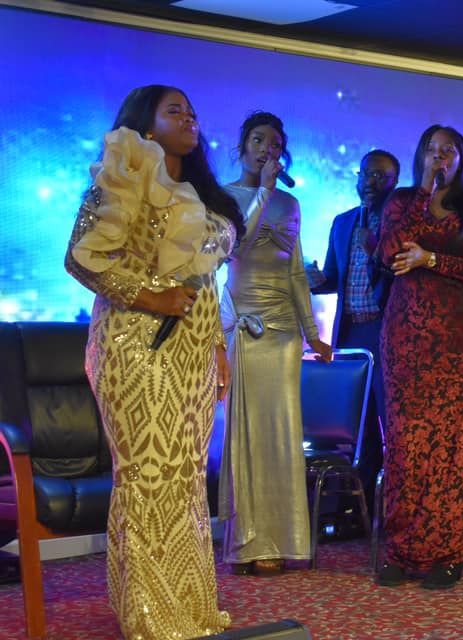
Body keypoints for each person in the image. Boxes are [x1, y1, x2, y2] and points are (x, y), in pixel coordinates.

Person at [65, 85, 245, 639]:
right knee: (147, 477)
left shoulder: (202, 192)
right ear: (145, 124)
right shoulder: (121, 174)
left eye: (193, 111)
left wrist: (217, 347)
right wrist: (149, 297)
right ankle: (149, 616)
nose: (189, 118)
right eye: (175, 111)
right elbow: (80, 258)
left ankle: (188, 608)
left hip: (194, 350)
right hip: (134, 344)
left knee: (186, 479)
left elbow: (205, 281)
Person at [375, 124, 463, 590]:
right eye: (431, 150)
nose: (439, 157)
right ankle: (401, 551)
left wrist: (431, 260)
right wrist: (422, 196)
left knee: (456, 452)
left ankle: (448, 555)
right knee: (407, 447)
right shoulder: (400, 202)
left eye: (448, 150)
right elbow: (390, 252)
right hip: (407, 339)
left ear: (462, 158)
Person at [218, 111, 332, 576]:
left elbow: (295, 272)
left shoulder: (291, 204)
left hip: (283, 331)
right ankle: (247, 541)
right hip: (243, 326)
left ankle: (282, 539)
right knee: (247, 433)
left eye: (275, 144)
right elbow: (234, 249)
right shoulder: (222, 197)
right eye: (258, 140)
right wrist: (263, 192)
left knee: (281, 431)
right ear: (242, 146)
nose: (267, 149)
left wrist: (312, 334)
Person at [306, 149, 400, 514]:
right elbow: (333, 277)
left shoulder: (399, 222)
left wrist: (375, 246)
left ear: (394, 182)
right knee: (360, 427)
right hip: (350, 334)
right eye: (366, 174)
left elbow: (402, 276)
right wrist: (316, 280)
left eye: (380, 176)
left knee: (393, 421)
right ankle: (361, 511)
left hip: (386, 332)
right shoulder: (343, 222)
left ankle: (396, 507)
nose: (371, 182)